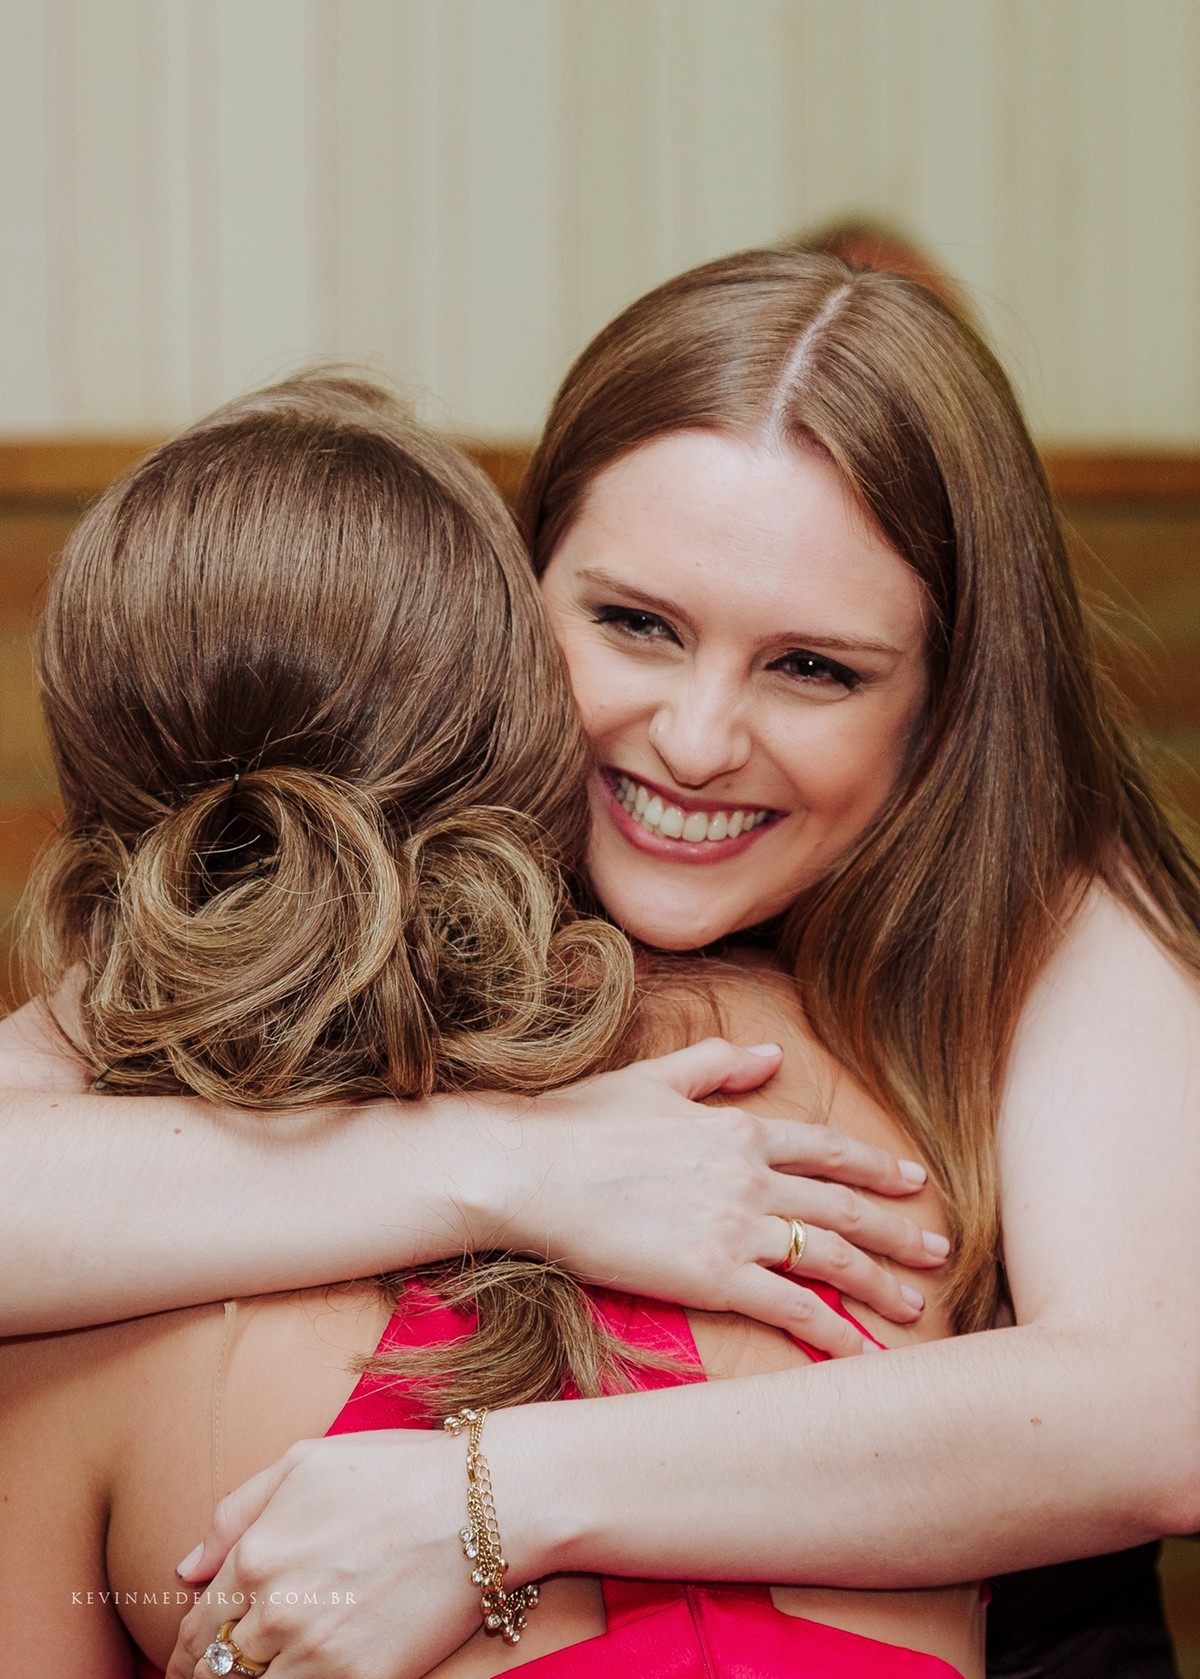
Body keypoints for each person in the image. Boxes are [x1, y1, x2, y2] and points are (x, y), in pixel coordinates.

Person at [4, 249, 1199, 1678]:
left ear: (949, 704)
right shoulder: (369, 858)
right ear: (523, 597)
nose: (695, 740)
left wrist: (491, 1500)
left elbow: (1162, 1404)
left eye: (814, 668)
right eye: (633, 625)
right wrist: (512, 1163)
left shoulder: (1049, 911)